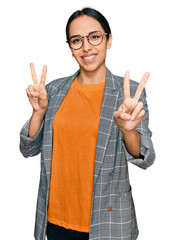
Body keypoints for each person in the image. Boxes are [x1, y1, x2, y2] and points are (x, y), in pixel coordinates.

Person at [19, 7, 155, 240]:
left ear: (108, 40)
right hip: (55, 221)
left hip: (108, 222)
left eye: (94, 37)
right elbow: (28, 149)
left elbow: (145, 158)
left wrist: (128, 130)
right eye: (76, 40)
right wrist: (39, 113)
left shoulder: (129, 92)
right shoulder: (54, 90)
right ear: (70, 47)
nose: (86, 47)